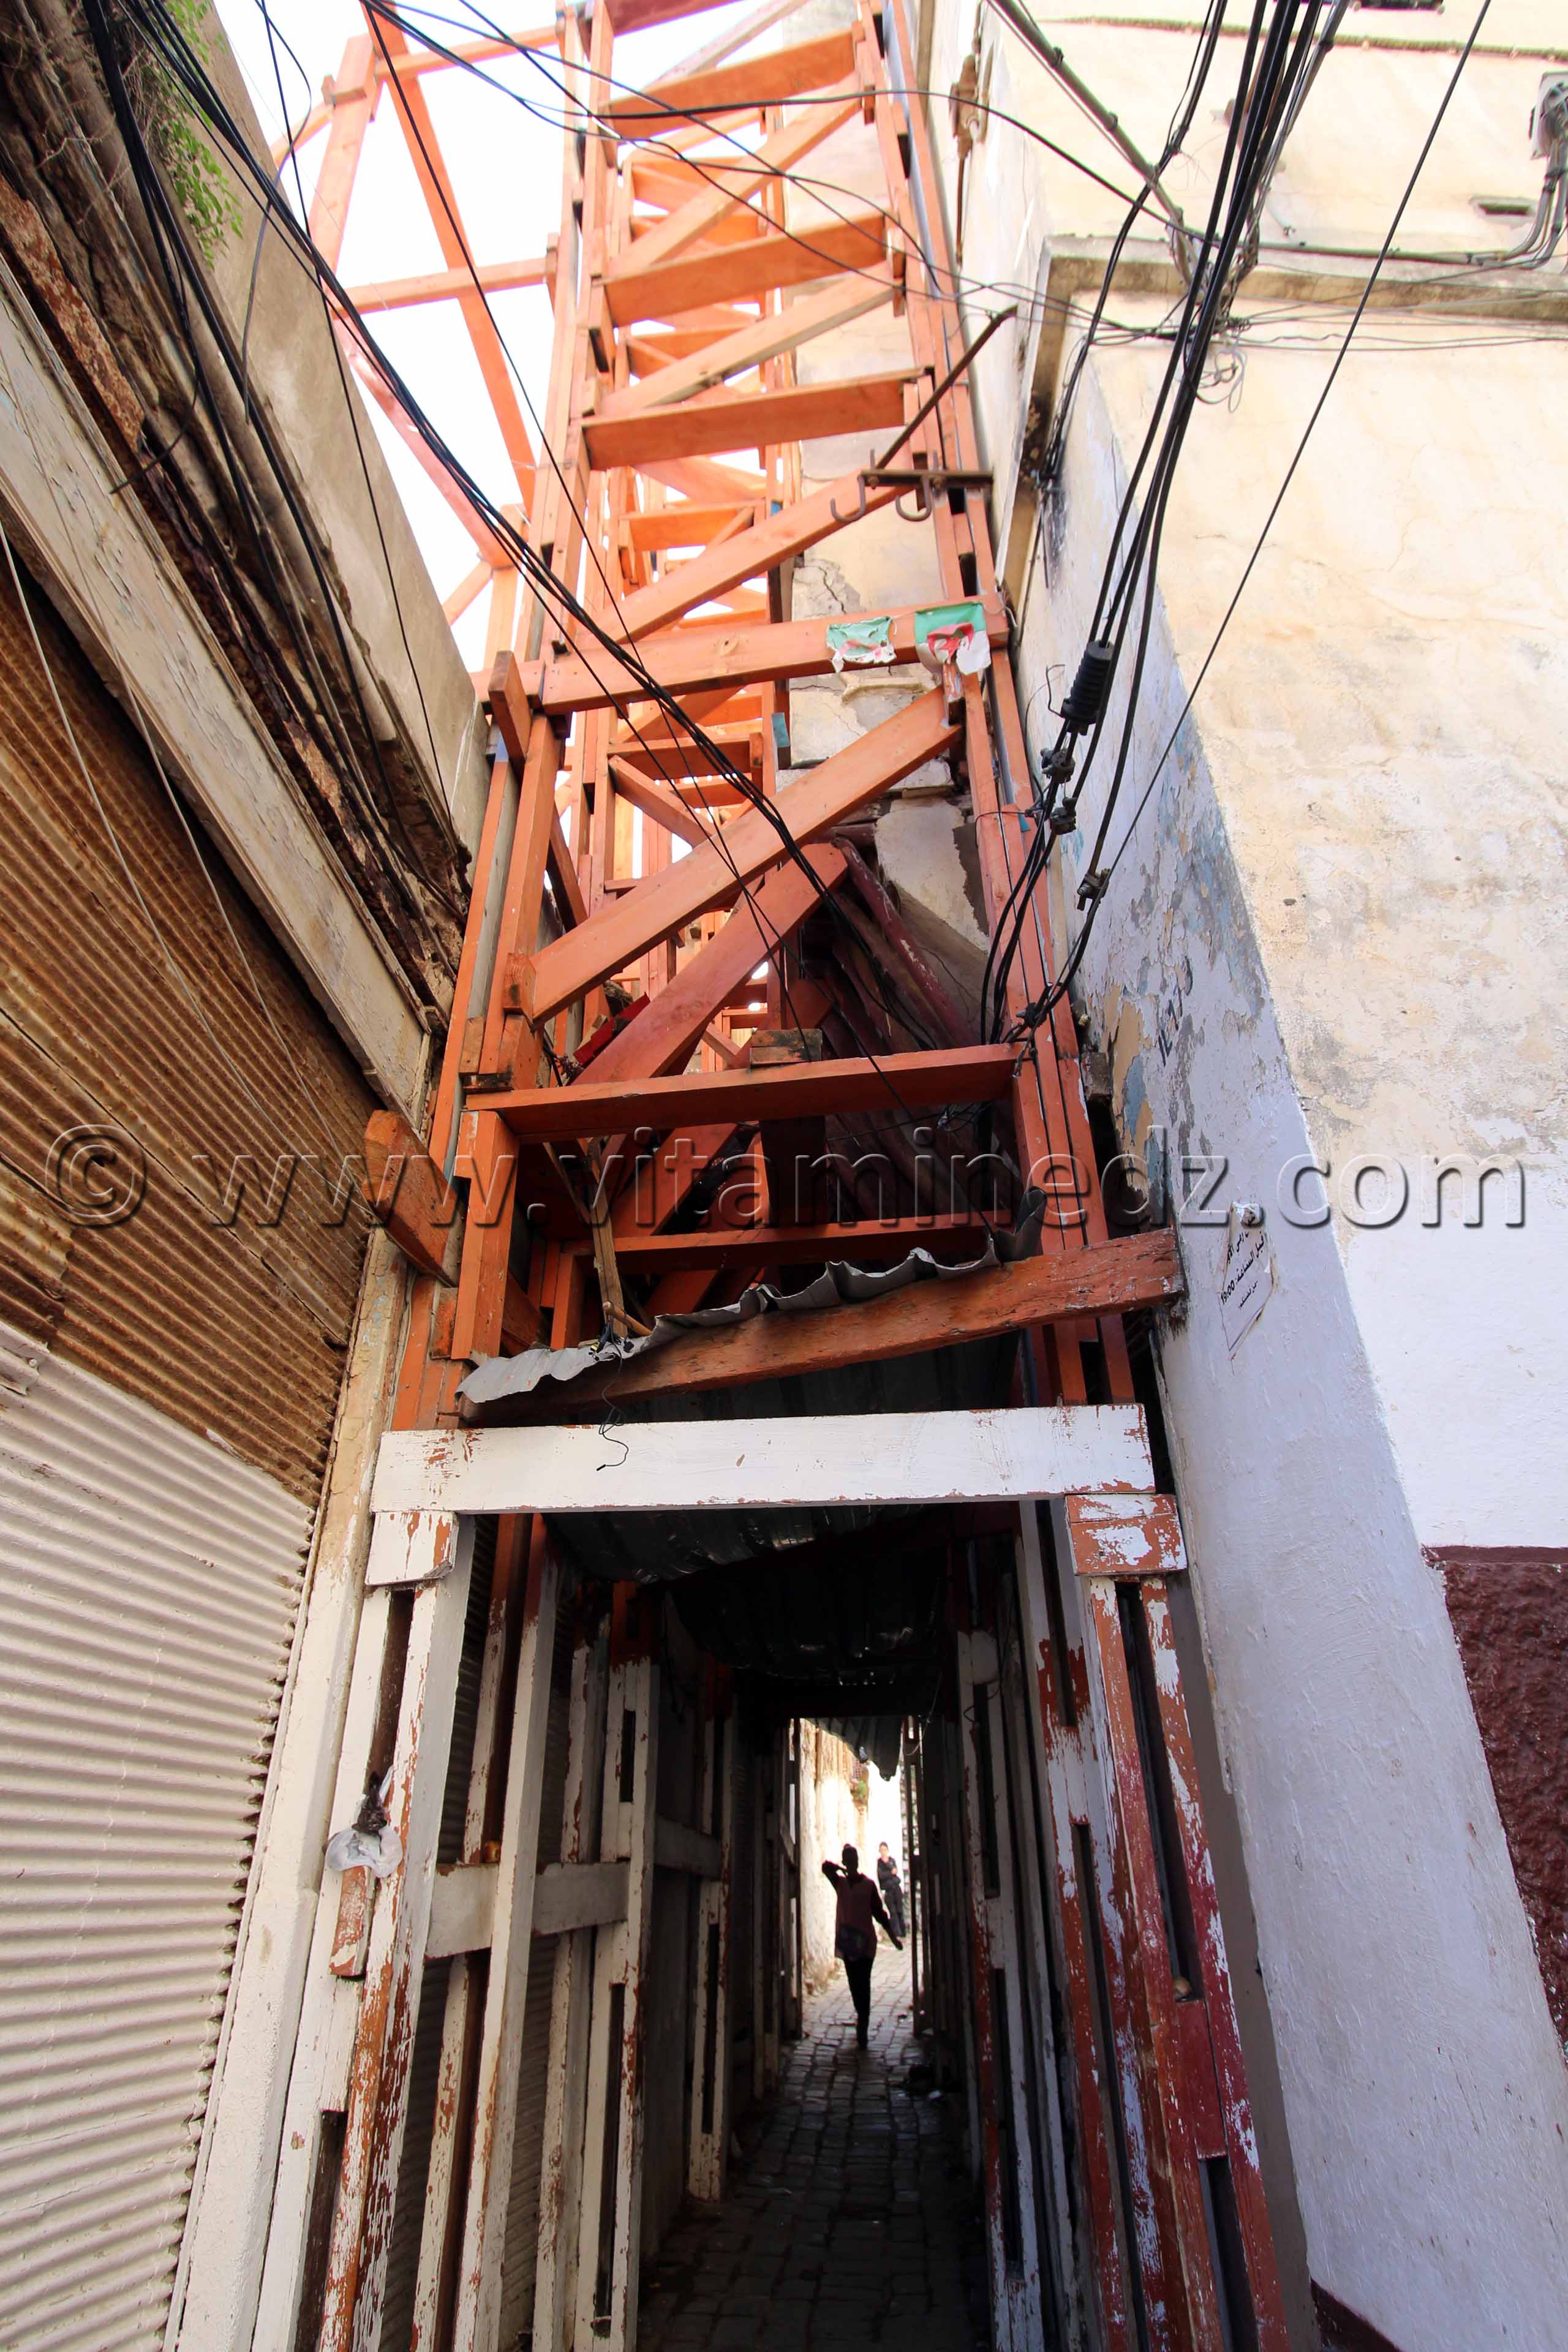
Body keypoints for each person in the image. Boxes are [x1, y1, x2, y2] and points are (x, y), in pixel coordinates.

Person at [822, 1842, 901, 2048]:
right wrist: (841, 1869)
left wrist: (893, 1938)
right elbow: (826, 1867)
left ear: (857, 1862)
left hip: (865, 1944)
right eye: (848, 1860)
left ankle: (863, 2023)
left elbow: (880, 1914)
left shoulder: (868, 1886)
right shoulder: (841, 1884)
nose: (851, 1863)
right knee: (854, 1984)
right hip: (849, 1944)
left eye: (852, 1860)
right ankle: (862, 2016)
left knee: (863, 1983)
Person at [876, 1841, 906, 1941]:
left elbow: (895, 1871)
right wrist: (890, 1873)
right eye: (882, 1850)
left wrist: (888, 1866)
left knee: (900, 1910)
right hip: (888, 1890)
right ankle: (897, 1933)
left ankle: (903, 1932)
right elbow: (882, 1876)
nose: (883, 1852)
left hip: (896, 1888)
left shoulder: (892, 1861)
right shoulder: (879, 1863)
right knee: (893, 1912)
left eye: (885, 1850)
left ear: (887, 1850)